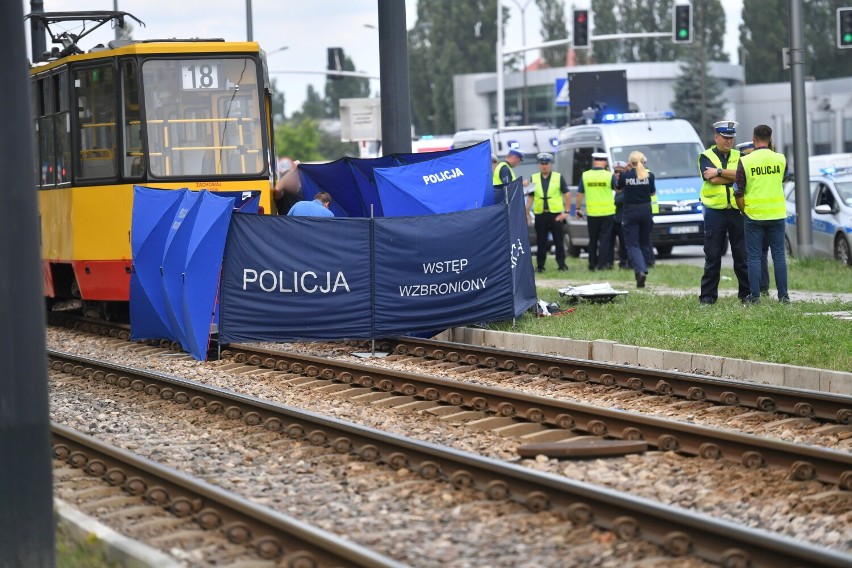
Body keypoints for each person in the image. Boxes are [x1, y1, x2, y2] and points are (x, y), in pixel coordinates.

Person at [735, 124, 789, 303]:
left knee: (754, 257)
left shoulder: (746, 161)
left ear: (753, 139)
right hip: (777, 214)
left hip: (754, 215)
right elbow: (782, 178)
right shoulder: (780, 159)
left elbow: (738, 192)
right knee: (779, 256)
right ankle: (783, 297)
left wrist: (744, 210)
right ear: (770, 139)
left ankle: (755, 296)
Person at [697, 121, 750, 305]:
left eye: (731, 137)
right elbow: (710, 179)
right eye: (725, 137)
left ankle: (747, 295)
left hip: (736, 211)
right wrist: (734, 176)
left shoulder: (740, 155)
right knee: (712, 256)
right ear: (716, 137)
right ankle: (708, 297)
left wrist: (719, 172)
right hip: (714, 212)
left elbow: (744, 176)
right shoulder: (705, 156)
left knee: (742, 256)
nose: (729, 141)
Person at [618, 151, 656, 288]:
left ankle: (640, 271)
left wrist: (626, 171)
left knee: (633, 245)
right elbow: (652, 192)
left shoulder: (625, 175)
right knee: (645, 242)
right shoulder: (649, 176)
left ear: (630, 162)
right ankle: (644, 268)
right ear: (643, 161)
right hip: (646, 210)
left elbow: (617, 189)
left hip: (630, 212)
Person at [526, 152, 570, 273]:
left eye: (546, 163)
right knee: (541, 241)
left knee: (558, 240)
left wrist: (566, 212)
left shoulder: (558, 177)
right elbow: (531, 196)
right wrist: (527, 212)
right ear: (539, 165)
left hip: (555, 214)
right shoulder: (533, 177)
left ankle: (561, 265)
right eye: (542, 163)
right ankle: (540, 266)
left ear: (550, 164)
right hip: (540, 213)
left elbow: (567, 194)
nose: (544, 166)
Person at [736, 141, 769, 296]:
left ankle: (758, 289)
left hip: (752, 214)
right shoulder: (764, 165)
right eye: (747, 154)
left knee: (756, 253)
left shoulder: (747, 167)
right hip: (766, 214)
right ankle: (761, 288)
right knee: (759, 253)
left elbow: (738, 188)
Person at [576, 152, 617, 271]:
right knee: (605, 240)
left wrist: (578, 209)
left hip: (592, 213)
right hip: (607, 213)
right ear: (604, 162)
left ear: (594, 161)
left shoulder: (585, 175)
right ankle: (603, 264)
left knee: (593, 240)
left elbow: (579, 194)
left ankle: (592, 264)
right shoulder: (609, 175)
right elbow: (617, 189)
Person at [611, 161, 630, 269]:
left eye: (620, 172)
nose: (617, 174)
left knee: (624, 244)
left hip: (622, 218)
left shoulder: (626, 185)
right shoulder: (613, 184)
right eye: (615, 172)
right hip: (611, 218)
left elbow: (619, 201)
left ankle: (624, 263)